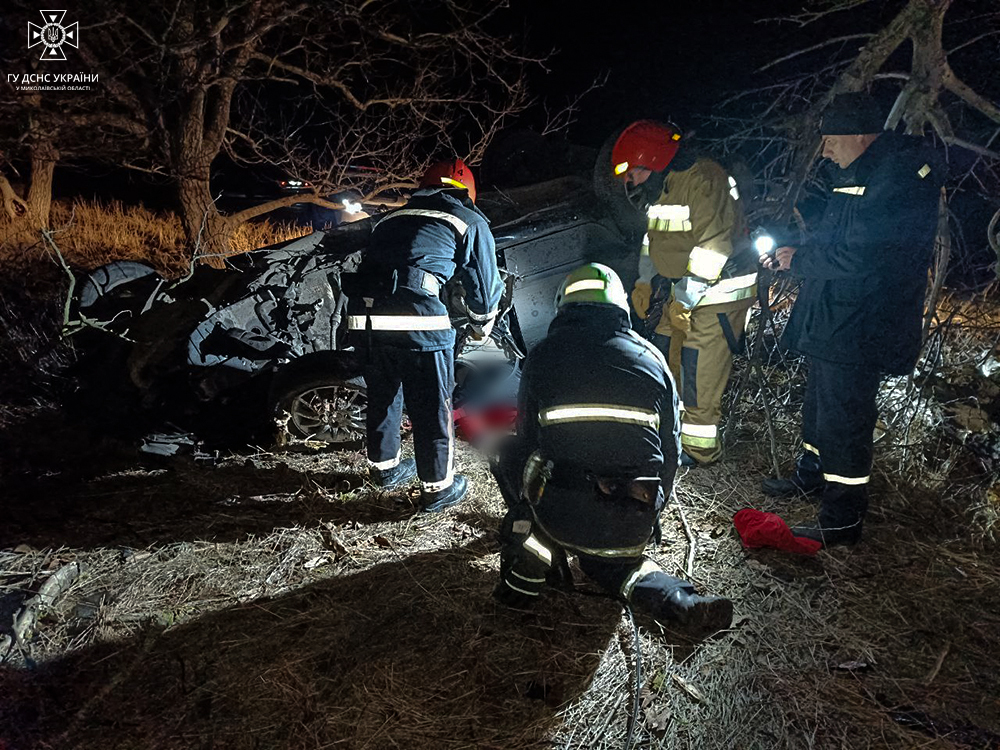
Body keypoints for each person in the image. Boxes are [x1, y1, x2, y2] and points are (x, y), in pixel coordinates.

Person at [490, 263, 733, 639]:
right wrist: (652, 510)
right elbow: (669, 450)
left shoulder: (542, 357)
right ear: (619, 307)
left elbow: (527, 441)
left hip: (561, 512)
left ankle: (523, 575)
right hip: (633, 512)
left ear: (563, 306)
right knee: (614, 565)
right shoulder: (653, 360)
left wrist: (534, 497)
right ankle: (678, 601)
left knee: (506, 452)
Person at [760, 91, 944, 546]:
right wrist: (794, 251)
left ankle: (842, 518)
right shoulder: (859, 171)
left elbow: (864, 257)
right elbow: (833, 239)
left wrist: (797, 262)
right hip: (833, 317)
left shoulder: (896, 177)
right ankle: (812, 476)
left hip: (861, 324)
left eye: (831, 140)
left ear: (861, 135)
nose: (824, 149)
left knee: (846, 418)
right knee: (820, 407)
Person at [346, 158, 503, 511]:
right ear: (466, 190)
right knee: (431, 403)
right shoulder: (469, 219)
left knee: (384, 394)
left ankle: (384, 469)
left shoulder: (390, 217)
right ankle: (437, 488)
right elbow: (484, 284)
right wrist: (481, 323)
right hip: (416, 316)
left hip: (365, 317)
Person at [612, 121, 758, 467]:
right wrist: (645, 281)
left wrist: (685, 299)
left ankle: (700, 450)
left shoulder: (704, 179)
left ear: (654, 161)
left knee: (697, 371)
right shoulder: (661, 190)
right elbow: (654, 241)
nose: (629, 182)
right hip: (682, 292)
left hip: (720, 292)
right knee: (664, 360)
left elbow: (714, 246)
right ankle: (670, 437)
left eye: (632, 173)